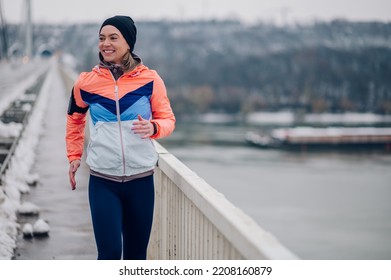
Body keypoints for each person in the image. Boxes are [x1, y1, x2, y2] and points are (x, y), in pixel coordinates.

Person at [65, 15, 175, 260]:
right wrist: (74, 155)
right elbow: (74, 118)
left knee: (136, 257)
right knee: (110, 254)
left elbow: (168, 120)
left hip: (141, 181)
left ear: (128, 43)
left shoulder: (150, 80)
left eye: (113, 37)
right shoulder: (86, 83)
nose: (106, 43)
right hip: (103, 181)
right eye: (102, 38)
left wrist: (154, 127)